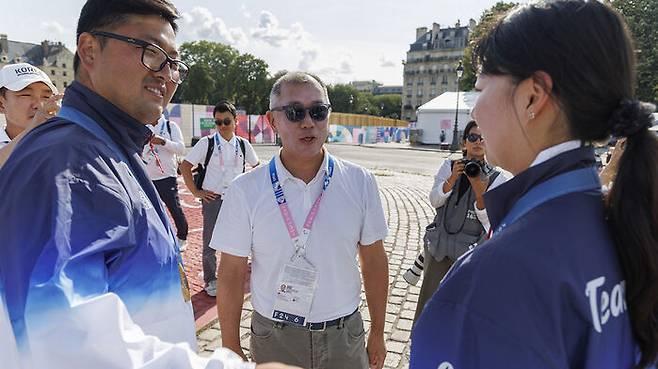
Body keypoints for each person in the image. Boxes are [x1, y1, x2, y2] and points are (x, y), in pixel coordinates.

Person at [0, 1, 296, 368]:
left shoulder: (106, 150)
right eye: (151, 53)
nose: (167, 74)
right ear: (90, 50)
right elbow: (59, 343)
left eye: (174, 63)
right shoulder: (66, 163)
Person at [411, 1, 658, 368]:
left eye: (480, 88)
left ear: (532, 97)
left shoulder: (496, 277)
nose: (475, 110)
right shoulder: (624, 219)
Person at [212, 71, 390, 369]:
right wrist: (230, 347)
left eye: (318, 111)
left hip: (343, 336)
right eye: (294, 113)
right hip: (275, 338)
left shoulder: (360, 182)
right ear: (273, 121)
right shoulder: (245, 190)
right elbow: (231, 271)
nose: (309, 122)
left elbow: (374, 260)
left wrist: (379, 332)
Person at [405, 121, 508, 323]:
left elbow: (489, 223)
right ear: (464, 143)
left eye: (483, 137)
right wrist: (451, 179)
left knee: (462, 308)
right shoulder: (449, 166)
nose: (478, 142)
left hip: (470, 255)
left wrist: (480, 193)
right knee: (429, 304)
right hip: (439, 250)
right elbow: (435, 200)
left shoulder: (496, 178)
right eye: (472, 137)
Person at [180, 100, 259, 297]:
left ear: (236, 121)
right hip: (213, 200)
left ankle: (235, 275)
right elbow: (185, 166)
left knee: (240, 240)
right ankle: (211, 280)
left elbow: (257, 168)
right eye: (218, 122)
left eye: (226, 121)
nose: (222, 126)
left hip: (237, 201)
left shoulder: (243, 144)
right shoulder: (206, 143)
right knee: (210, 244)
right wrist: (197, 193)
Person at [0, 62, 63, 168]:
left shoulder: (61, 142)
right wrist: (32, 130)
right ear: (1, 104)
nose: (39, 105)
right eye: (26, 95)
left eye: (46, 97)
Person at [143, 113, 189, 251]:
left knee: (174, 208)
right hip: (147, 176)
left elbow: (181, 149)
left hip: (167, 176)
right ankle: (155, 238)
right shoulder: (144, 127)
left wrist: (162, 141)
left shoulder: (170, 126)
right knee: (150, 211)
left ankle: (182, 237)